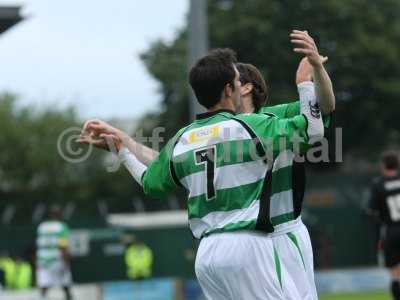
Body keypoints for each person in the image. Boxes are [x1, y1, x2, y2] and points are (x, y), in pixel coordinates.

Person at [80, 30, 325, 299]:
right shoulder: (252, 126)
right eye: (235, 78)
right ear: (229, 89)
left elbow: (151, 183)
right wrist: (304, 83)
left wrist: (123, 152)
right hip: (248, 247)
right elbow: (313, 131)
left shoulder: (182, 139)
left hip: (207, 254)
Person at [368, 151, 400, 300]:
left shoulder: (379, 185)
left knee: (395, 273)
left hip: (391, 231)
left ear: (383, 166)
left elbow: (371, 210)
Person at [36, 206, 73, 300]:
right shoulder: (61, 226)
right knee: (66, 284)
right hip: (57, 259)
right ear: (59, 215)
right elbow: (63, 246)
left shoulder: (42, 226)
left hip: (43, 259)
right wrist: (67, 261)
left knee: (44, 285)